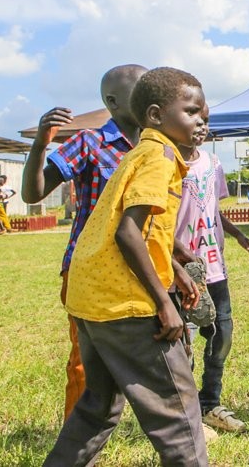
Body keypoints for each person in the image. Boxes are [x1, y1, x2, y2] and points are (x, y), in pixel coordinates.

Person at [43, 67, 208, 466]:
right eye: (190, 112)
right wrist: (163, 302)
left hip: (91, 298)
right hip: (127, 305)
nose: (201, 122)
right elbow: (127, 233)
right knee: (179, 416)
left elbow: (145, 231)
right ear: (154, 115)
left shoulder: (141, 152)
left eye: (204, 114)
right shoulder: (160, 157)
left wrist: (176, 267)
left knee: (97, 408)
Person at [22, 64, 147, 420]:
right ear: (113, 100)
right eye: (141, 90)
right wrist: (40, 144)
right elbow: (33, 193)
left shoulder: (157, 146)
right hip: (91, 269)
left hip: (144, 265)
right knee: (86, 359)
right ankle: (75, 437)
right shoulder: (90, 143)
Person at [175, 104, 249, 434]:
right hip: (178, 269)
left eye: (206, 121)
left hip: (213, 265)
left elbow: (211, 208)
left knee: (222, 333)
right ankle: (185, 414)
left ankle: (210, 402)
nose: (201, 126)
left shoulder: (213, 162)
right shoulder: (166, 163)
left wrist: (238, 236)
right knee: (184, 339)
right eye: (195, 119)